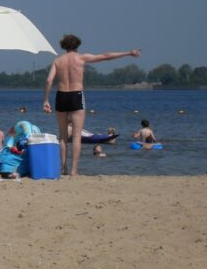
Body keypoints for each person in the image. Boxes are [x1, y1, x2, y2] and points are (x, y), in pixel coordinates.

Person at [43, 34, 140, 176]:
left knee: (63, 136)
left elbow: (49, 81)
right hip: (76, 95)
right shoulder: (81, 58)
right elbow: (105, 56)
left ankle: (63, 168)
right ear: (77, 45)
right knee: (76, 136)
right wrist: (128, 53)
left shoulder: (57, 61)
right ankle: (74, 170)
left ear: (64, 46)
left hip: (61, 96)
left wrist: (46, 100)